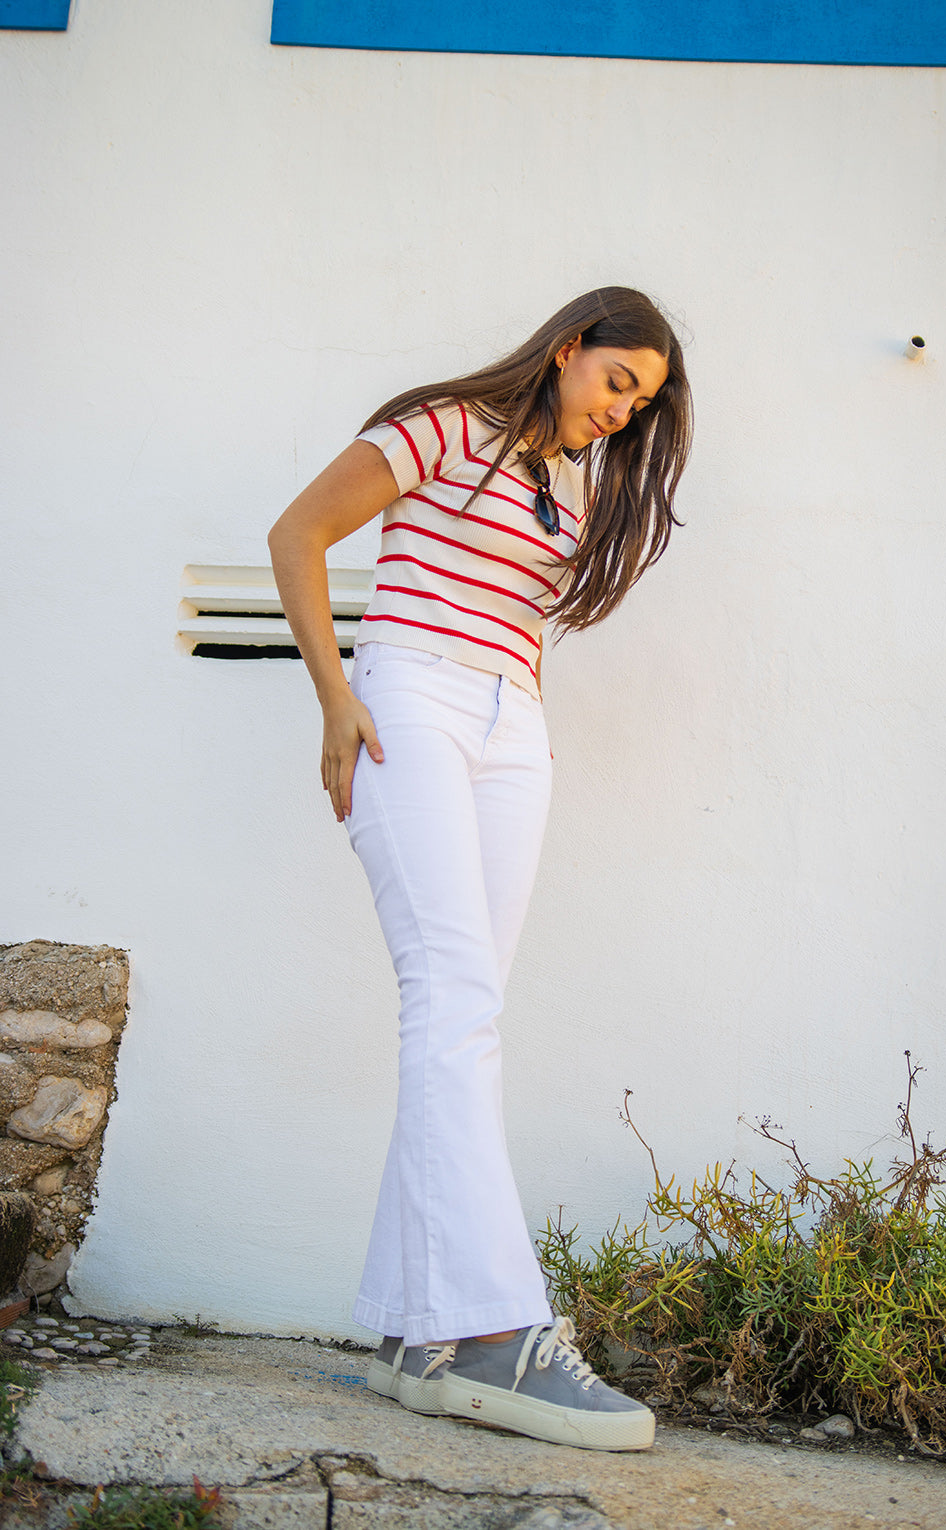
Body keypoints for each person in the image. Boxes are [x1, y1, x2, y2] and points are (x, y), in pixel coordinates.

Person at [268, 286, 693, 1451]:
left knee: (466, 1016)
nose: (622, 411)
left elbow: (519, 618)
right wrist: (336, 700)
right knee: (453, 1000)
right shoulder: (451, 425)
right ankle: (499, 1328)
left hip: (513, 730)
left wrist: (526, 722)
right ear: (567, 351)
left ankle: (421, 1333)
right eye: (617, 380)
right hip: (413, 696)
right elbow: (296, 534)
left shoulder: (576, 484)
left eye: (642, 402)